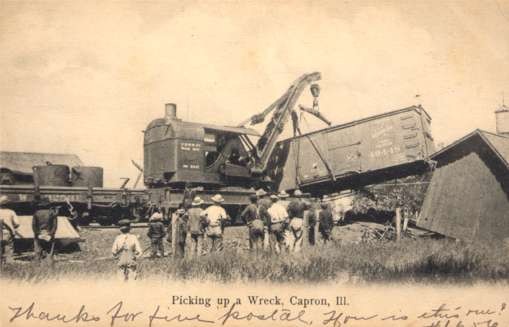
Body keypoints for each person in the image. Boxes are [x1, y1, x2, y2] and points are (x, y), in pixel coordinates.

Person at [0, 196, 20, 263]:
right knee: (8, 247)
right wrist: (12, 227)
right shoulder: (11, 212)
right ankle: (8, 262)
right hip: (7, 232)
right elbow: (17, 224)